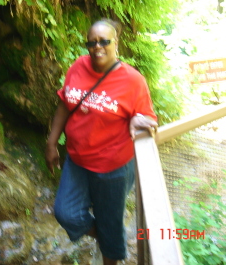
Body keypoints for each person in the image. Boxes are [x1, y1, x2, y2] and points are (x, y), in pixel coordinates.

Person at [45, 19, 158, 265]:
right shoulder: (78, 67)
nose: (98, 47)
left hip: (112, 169)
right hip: (77, 160)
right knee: (66, 213)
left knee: (110, 222)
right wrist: (52, 142)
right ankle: (106, 238)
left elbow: (149, 119)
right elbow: (65, 104)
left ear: (115, 43)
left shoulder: (133, 81)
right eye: (92, 42)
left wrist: (139, 121)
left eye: (104, 41)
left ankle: (110, 250)